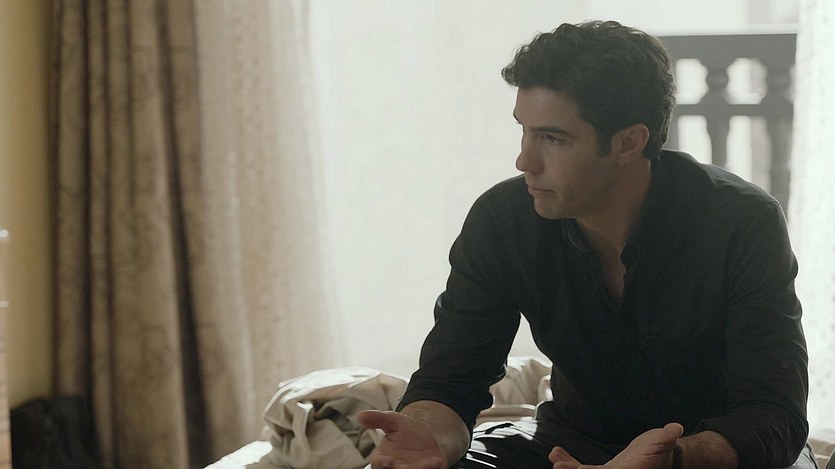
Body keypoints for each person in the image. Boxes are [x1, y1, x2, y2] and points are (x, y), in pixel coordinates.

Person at [357, 20, 814, 469]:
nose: (524, 160)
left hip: (700, 452)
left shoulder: (740, 221)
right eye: (524, 130)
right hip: (569, 442)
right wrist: (426, 435)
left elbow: (773, 417)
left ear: (628, 142)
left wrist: (670, 458)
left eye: (552, 138)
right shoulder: (503, 219)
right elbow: (451, 379)